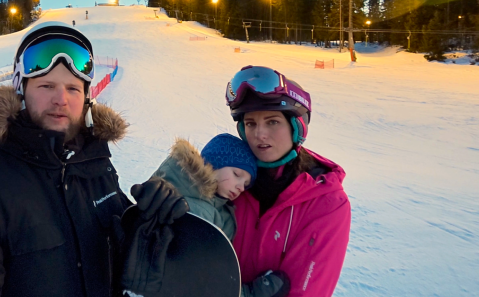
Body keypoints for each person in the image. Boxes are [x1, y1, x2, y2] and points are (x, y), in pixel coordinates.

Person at [0, 21, 188, 297]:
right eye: (46, 86)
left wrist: (142, 228)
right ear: (20, 92)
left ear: (86, 99)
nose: (61, 99)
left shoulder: (97, 167)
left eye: (73, 89)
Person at [223, 65, 351, 297]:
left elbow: (308, 291)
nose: (259, 134)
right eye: (250, 123)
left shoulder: (326, 201)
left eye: (272, 122)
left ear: (296, 127)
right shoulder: (229, 178)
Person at [147, 133, 290, 297]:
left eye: (245, 184)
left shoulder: (216, 208)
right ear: (213, 163)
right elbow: (200, 279)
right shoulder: (193, 207)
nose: (241, 188)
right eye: (237, 175)